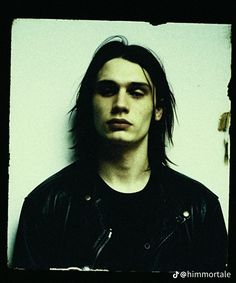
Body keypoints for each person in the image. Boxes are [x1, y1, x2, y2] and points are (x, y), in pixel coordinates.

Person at [12, 35, 228, 272]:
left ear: (158, 109)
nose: (120, 104)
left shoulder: (199, 207)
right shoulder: (47, 206)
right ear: (90, 104)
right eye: (107, 90)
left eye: (136, 92)